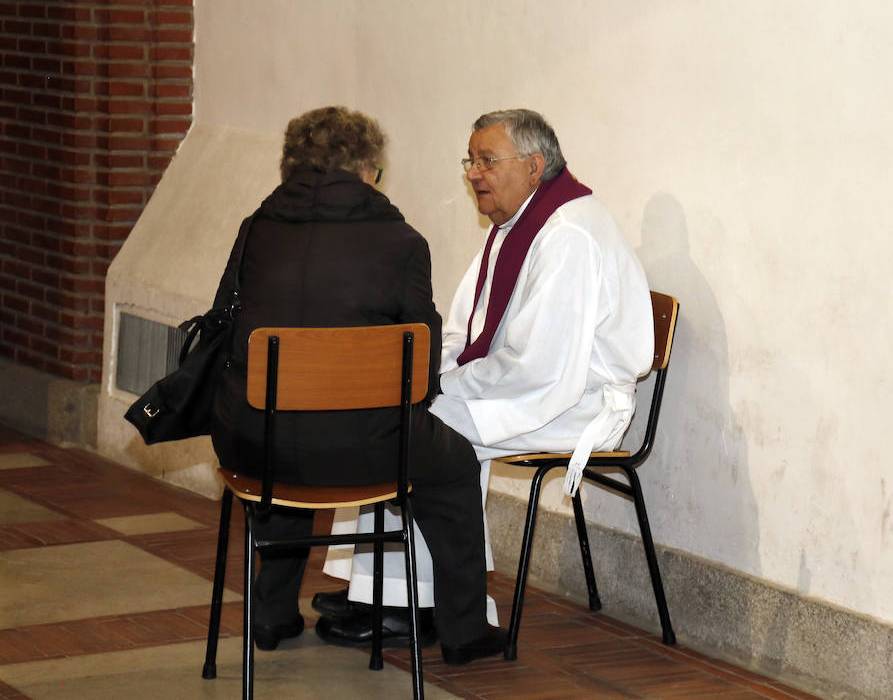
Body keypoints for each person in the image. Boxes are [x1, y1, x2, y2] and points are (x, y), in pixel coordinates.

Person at [316, 108, 654, 639]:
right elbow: (466, 331)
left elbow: (539, 367)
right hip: (532, 385)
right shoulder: (518, 224)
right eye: (470, 161)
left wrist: (439, 386)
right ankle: (376, 589)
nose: (474, 173)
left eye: (487, 160)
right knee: (395, 408)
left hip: (575, 401)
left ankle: (419, 606)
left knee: (424, 431)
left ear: (534, 165)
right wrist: (428, 373)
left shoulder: (568, 236)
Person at [210, 106, 506, 665]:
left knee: (283, 439)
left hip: (254, 442)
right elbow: (418, 365)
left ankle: (272, 616)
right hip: (364, 449)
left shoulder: (256, 229)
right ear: (367, 167)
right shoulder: (401, 241)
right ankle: (465, 629)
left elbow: (225, 329)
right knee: (454, 463)